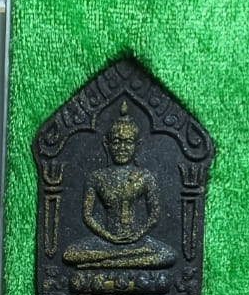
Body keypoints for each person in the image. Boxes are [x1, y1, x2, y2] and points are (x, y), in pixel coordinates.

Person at [63, 101, 176, 269]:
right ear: (107, 144)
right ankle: (123, 259)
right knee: (70, 254)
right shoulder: (97, 177)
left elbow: (154, 215)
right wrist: (108, 236)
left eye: (128, 142)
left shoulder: (145, 176)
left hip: (136, 241)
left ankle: (107, 263)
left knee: (168, 254)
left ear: (137, 145)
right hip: (106, 241)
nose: (122, 148)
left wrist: (137, 235)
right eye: (116, 141)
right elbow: (88, 216)